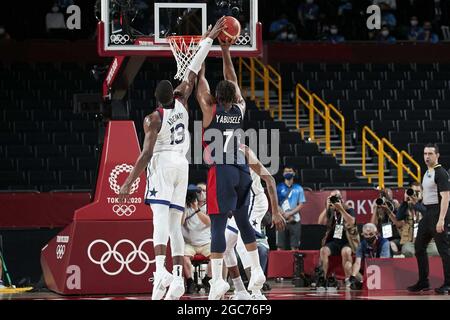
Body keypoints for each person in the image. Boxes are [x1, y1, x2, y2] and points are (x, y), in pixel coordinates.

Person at [118, 18, 225, 300]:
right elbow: (191, 70)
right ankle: (177, 278)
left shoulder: (152, 119)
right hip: (183, 164)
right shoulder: (183, 100)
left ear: (156, 97)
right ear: (174, 94)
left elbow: (146, 154)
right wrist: (209, 38)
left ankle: (160, 270)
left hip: (164, 164)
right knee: (175, 224)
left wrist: (129, 180)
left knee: (159, 220)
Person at [195, 38, 267, 300]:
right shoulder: (240, 107)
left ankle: (216, 281)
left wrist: (202, 56)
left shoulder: (208, 107)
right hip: (242, 170)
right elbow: (232, 77)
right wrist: (226, 50)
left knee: (216, 224)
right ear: (234, 96)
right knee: (243, 219)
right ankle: (256, 271)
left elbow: (198, 81)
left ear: (216, 95)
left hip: (222, 170)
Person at [223, 145, 286, 300]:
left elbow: (269, 180)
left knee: (241, 244)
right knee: (224, 245)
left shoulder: (244, 152)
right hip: (241, 203)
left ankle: (257, 293)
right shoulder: (220, 154)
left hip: (255, 201)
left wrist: (276, 212)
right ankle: (240, 291)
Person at [408, 144, 450, 294]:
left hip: (438, 212)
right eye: (425, 153)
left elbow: (446, 197)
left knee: (444, 250)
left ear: (437, 155)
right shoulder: (427, 172)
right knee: (419, 247)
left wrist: (441, 219)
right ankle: (423, 281)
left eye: (430, 153)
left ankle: (448, 284)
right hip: (427, 213)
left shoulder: (441, 173)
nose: (427, 156)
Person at [318, 190, 359, 288]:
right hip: (335, 242)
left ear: (342, 198)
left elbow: (352, 222)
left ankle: (348, 279)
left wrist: (340, 209)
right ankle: (322, 278)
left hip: (348, 241)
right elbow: (320, 222)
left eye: (336, 197)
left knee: (345, 252)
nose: (334, 199)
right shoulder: (331, 211)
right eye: (332, 198)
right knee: (323, 250)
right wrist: (327, 207)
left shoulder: (349, 209)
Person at [182, 185, 212, 294]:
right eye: (199, 191)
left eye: (204, 191)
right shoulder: (186, 206)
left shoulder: (209, 206)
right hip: (190, 244)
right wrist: (185, 207)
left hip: (206, 243)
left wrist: (196, 209)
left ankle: (207, 279)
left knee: (217, 256)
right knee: (184, 257)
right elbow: (180, 223)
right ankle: (190, 282)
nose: (201, 193)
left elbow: (208, 222)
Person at [396, 182, 439, 257]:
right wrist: (405, 202)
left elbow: (428, 215)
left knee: (435, 251)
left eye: (418, 192)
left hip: (428, 242)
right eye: (413, 191)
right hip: (411, 242)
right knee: (407, 250)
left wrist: (416, 204)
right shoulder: (406, 206)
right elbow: (399, 217)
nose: (415, 194)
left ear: (423, 193)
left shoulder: (429, 204)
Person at [348, 223, 390, 290]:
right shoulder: (362, 244)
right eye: (366, 234)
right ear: (363, 234)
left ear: (376, 233)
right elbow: (357, 263)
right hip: (368, 271)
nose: (368, 237)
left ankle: (364, 283)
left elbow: (383, 263)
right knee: (349, 267)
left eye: (371, 234)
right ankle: (361, 282)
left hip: (382, 270)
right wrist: (353, 276)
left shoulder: (384, 243)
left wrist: (371, 278)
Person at [276, 166, 306, 250]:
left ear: (294, 173)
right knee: (280, 246)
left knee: (295, 246)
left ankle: (296, 263)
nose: (288, 173)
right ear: (283, 174)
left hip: (295, 219)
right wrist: (283, 214)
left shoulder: (298, 188)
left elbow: (301, 204)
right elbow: (275, 204)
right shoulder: (278, 187)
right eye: (286, 171)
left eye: (290, 171)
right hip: (281, 219)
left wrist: (290, 213)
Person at [370, 187, 402, 255]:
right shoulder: (379, 210)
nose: (385, 202)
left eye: (388, 199)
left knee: (390, 244)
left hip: (397, 238)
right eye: (383, 199)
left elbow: (399, 224)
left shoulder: (396, 207)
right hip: (383, 238)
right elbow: (372, 227)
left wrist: (388, 210)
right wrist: (375, 209)